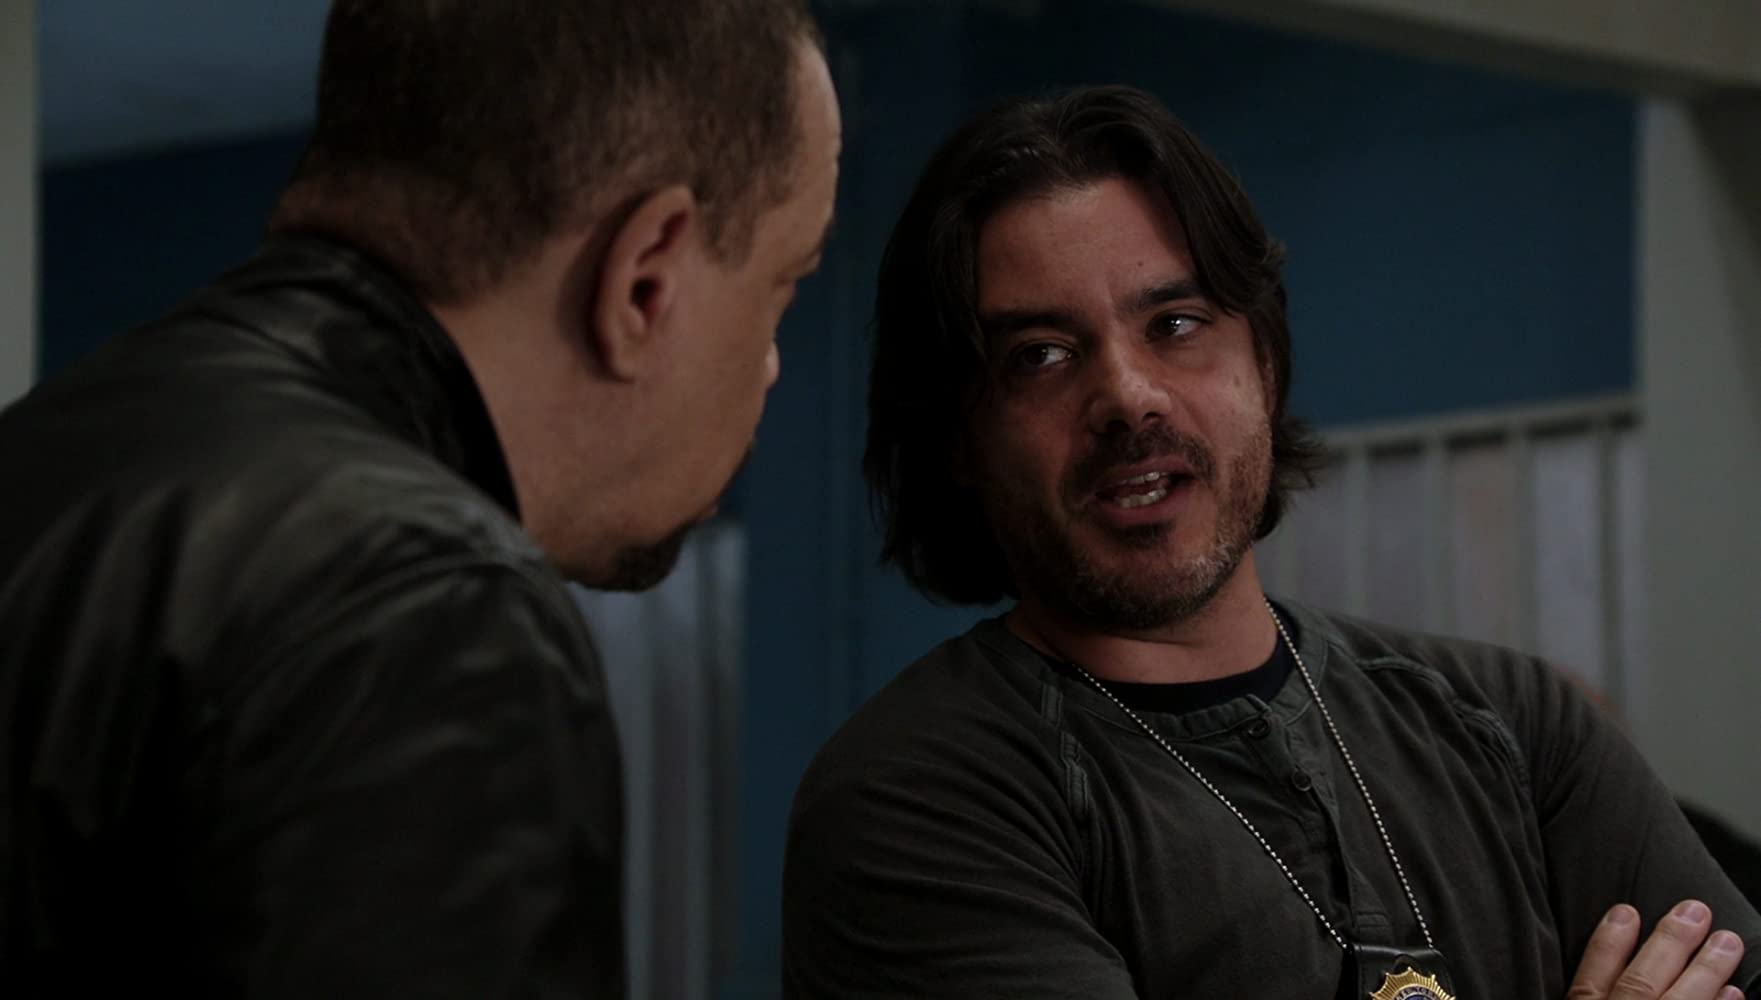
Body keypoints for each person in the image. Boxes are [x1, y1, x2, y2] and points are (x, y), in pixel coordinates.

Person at [781, 84, 1755, 998]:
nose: (1128, 395)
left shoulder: (1514, 725)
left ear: (1266, 362)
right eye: (1040, 355)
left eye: (1175, 323)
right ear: (957, 436)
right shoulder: (919, 796)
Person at [0, 1, 838, 995]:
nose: (770, 366)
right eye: (783, 286)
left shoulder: (46, 448)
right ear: (644, 279)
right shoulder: (421, 603)